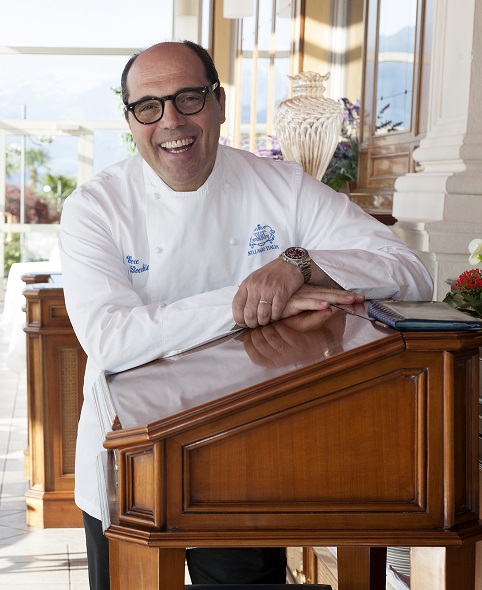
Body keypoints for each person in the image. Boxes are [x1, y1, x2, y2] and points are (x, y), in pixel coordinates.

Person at [59, 40, 433, 589]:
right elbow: (112, 340)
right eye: (149, 106)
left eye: (189, 98)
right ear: (131, 120)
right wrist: (248, 299)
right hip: (129, 456)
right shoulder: (95, 207)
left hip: (246, 451)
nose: (171, 121)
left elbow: (410, 271)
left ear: (219, 103)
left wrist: (302, 265)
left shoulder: (281, 187)